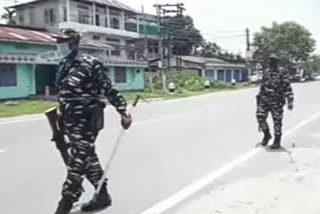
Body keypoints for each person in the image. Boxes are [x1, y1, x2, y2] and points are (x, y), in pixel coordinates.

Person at [53, 29, 132, 214]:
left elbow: (108, 89)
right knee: (89, 160)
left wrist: (123, 111)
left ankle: (64, 206)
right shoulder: (64, 65)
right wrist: (60, 115)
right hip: (70, 121)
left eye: (63, 41)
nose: (59, 44)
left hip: (87, 121)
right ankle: (102, 195)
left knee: (77, 164)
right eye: (58, 41)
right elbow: (63, 94)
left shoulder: (91, 64)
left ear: (74, 43)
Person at [256, 54, 294, 149]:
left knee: (277, 121)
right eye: (270, 60)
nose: (271, 62)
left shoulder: (282, 72)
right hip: (264, 99)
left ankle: (277, 140)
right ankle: (267, 135)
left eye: (273, 60)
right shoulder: (266, 71)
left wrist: (290, 100)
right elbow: (263, 85)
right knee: (260, 117)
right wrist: (259, 96)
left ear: (277, 62)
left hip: (277, 101)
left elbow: (287, 86)